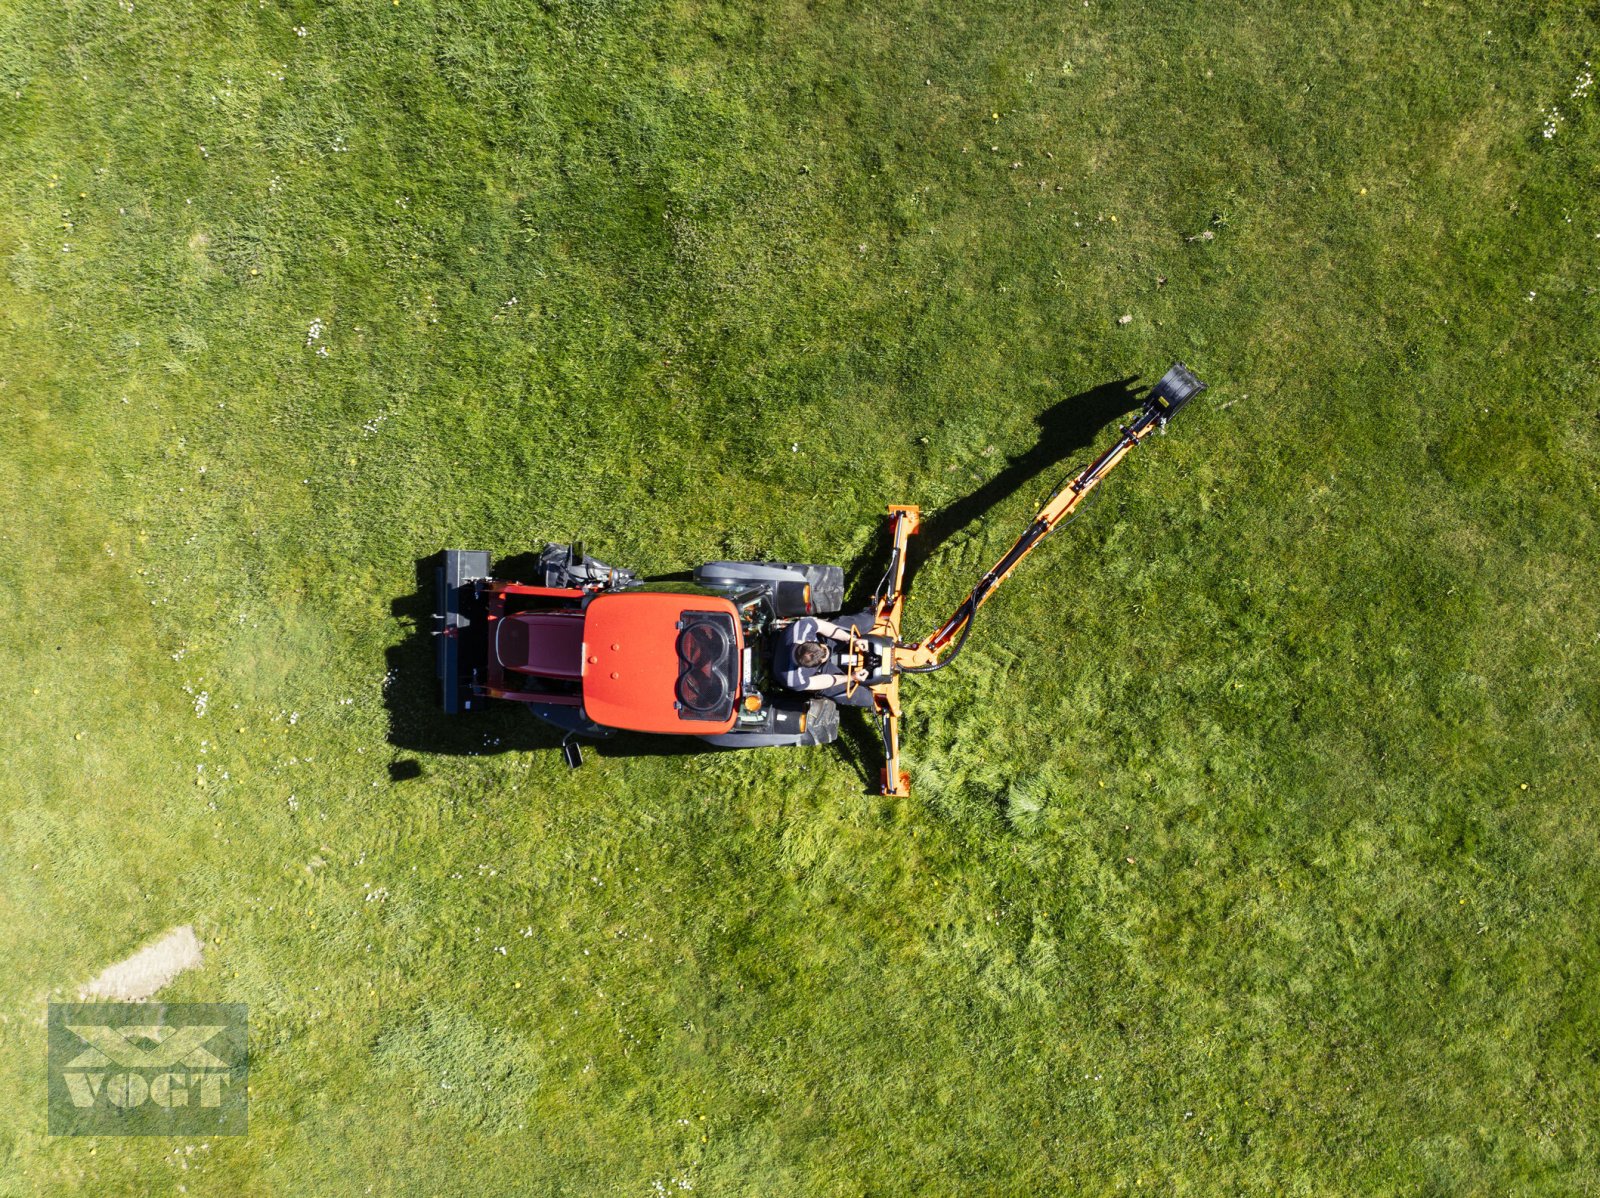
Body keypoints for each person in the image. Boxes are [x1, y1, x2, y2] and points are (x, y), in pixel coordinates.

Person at [782, 618, 868, 692]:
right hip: (821, 670)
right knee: (864, 697)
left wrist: (852, 639)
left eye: (823, 649)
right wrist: (850, 677)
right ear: (809, 667)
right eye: (824, 657)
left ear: (807, 641)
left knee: (868, 621)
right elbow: (817, 683)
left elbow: (822, 626)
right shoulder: (794, 680)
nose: (827, 654)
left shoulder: (802, 628)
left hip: (824, 640)